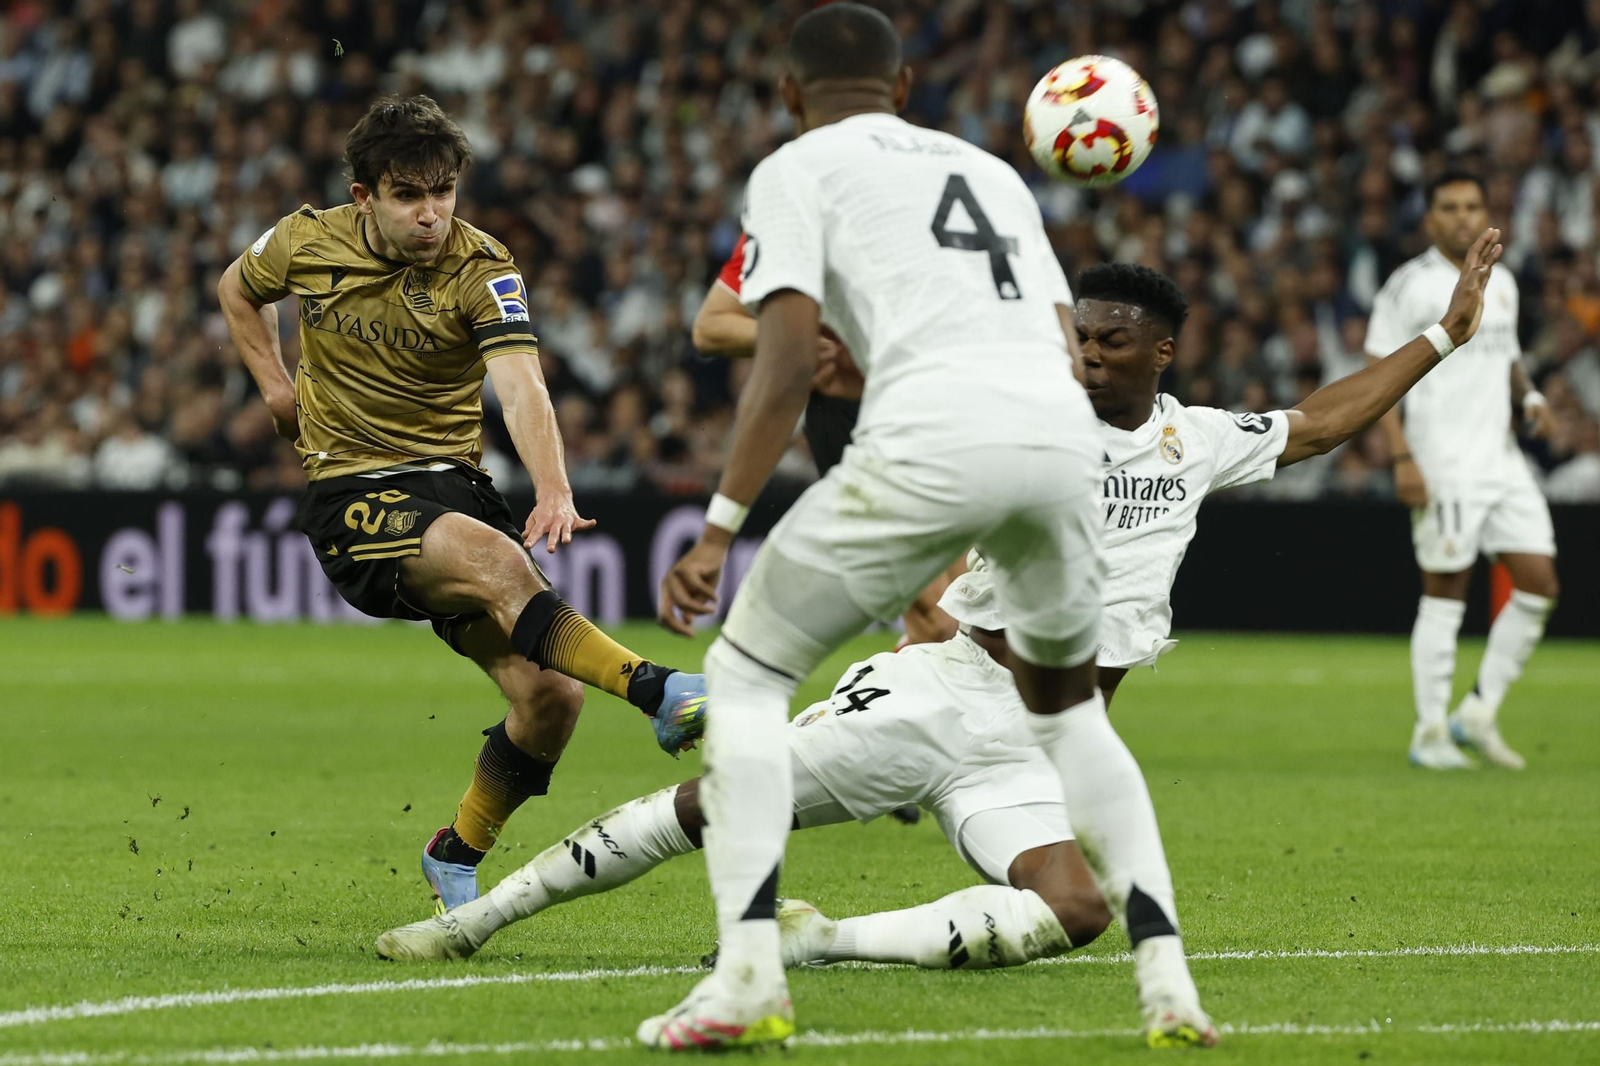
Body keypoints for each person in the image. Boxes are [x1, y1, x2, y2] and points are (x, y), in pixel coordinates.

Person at [372, 236, 1502, 987]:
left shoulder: (1197, 440)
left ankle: (825, 941)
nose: (1090, 353)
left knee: (1077, 911)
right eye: (1082, 335)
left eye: (1113, 341)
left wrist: (1446, 335)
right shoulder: (1025, 419)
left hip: (1037, 747)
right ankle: (471, 921)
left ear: (1163, 353)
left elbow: (1322, 421)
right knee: (714, 806)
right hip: (945, 693)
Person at [651, 4, 1211, 1050]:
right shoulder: (992, 173)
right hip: (1059, 447)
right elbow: (1063, 341)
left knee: (746, 678)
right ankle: (1168, 980)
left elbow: (780, 361)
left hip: (932, 437)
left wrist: (720, 528)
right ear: (905, 88)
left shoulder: (794, 168)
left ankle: (748, 978)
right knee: (1072, 718)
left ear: (789, 94)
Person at [214, 94, 707, 917]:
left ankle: (455, 854)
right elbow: (237, 288)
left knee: (552, 699)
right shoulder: (307, 240)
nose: (430, 213)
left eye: (443, 192)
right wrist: (274, 387)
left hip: (453, 486)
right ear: (364, 196)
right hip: (352, 489)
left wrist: (553, 486)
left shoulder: (484, 267)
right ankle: (660, 692)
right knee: (496, 561)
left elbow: (522, 386)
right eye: (408, 195)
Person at [694, 233, 956, 828]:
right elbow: (711, 327)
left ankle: (878, 738)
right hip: (855, 426)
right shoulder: (791, 226)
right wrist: (798, 340)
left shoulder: (921, 216)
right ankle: (843, 732)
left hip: (936, 414)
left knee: (955, 621)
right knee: (941, 618)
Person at [1366, 171, 1559, 771]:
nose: (1462, 217)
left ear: (1486, 212)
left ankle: (1477, 713)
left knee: (1539, 584)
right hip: (1442, 460)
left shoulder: (1503, 282)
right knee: (1446, 591)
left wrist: (1529, 396)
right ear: (1430, 219)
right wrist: (1402, 456)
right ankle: (1429, 733)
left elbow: (1508, 355)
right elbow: (1376, 374)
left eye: (1472, 206)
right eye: (1448, 207)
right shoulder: (1410, 285)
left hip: (1502, 460)